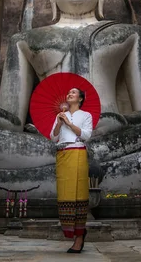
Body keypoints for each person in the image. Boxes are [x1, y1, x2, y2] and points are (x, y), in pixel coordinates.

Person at [50, 87, 93, 253]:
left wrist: (69, 124)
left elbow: (86, 135)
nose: (69, 94)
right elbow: (53, 137)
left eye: (74, 92)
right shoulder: (61, 115)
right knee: (65, 193)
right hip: (62, 153)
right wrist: (60, 122)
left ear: (80, 98)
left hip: (78, 151)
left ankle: (80, 235)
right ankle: (70, 230)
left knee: (79, 193)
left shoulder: (86, 115)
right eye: (68, 92)